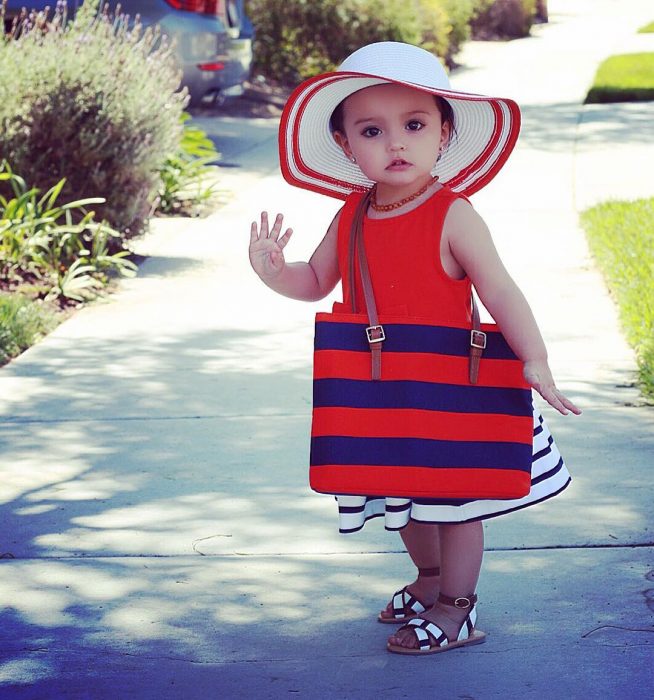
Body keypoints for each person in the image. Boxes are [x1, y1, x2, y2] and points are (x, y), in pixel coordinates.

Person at [248, 41, 581, 656]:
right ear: (347, 145)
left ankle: (458, 607)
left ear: (444, 133)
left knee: (454, 498)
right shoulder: (351, 213)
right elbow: (317, 279)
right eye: (372, 130)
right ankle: (429, 582)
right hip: (385, 388)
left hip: (452, 386)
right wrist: (277, 273)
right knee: (403, 491)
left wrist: (533, 357)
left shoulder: (453, 214)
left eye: (414, 124)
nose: (395, 143)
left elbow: (500, 289)